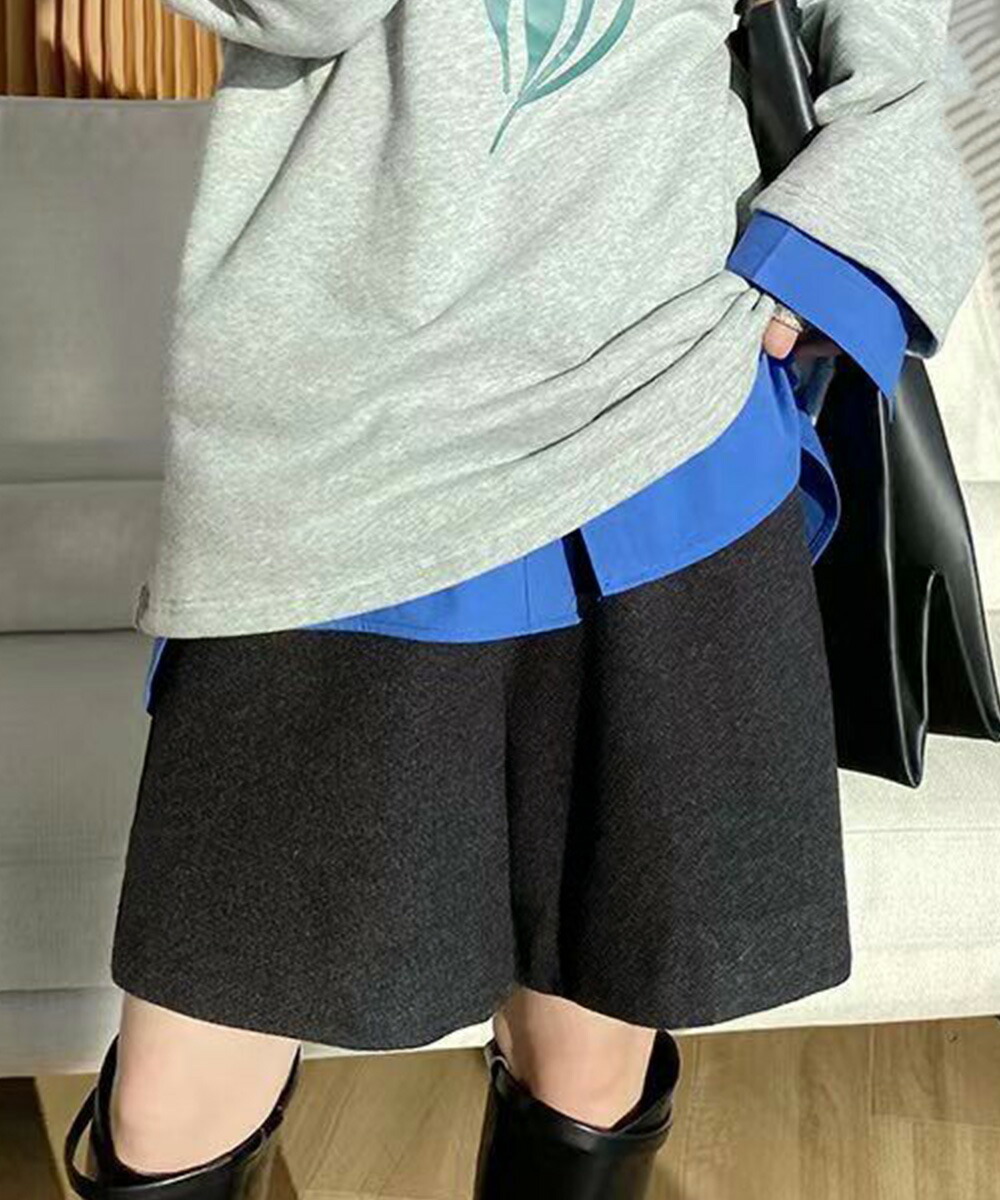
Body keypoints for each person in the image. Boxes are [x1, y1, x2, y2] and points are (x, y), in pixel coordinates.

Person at [63, 2, 984, 1197]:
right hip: (343, 439)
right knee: (179, 1094)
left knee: (588, 1058)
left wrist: (843, 230)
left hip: (665, 407)